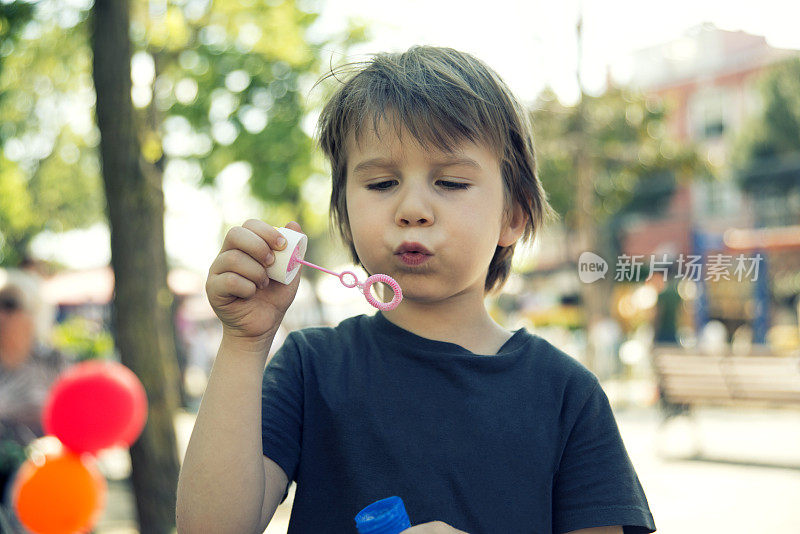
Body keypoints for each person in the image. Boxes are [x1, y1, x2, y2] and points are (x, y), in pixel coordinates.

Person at [176, 46, 656, 534]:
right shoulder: (311, 368)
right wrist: (244, 341)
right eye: (382, 183)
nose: (412, 208)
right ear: (343, 211)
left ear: (512, 215)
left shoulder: (566, 395)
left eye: (449, 181)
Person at [0, 268, 69, 503]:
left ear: (34, 313)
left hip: (48, 482)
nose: (1, 313)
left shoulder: (54, 362)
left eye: (9, 304)